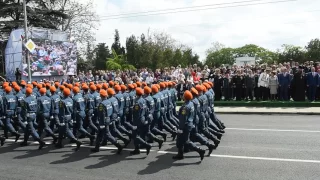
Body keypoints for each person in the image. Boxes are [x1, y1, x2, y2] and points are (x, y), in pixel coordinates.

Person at [172, 90, 205, 161]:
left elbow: (183, 119)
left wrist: (180, 128)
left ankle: (200, 150)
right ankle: (180, 154)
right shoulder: (191, 104)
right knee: (180, 141)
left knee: (186, 141)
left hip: (184, 126)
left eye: (183, 95)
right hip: (189, 124)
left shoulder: (185, 107)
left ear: (185, 97)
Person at [130, 87, 152, 155]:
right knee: (139, 134)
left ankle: (146, 145)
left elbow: (136, 114)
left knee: (135, 135)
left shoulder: (137, 102)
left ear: (136, 93)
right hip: (143, 119)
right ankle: (137, 149)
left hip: (138, 120)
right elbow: (146, 110)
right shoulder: (143, 100)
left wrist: (134, 124)